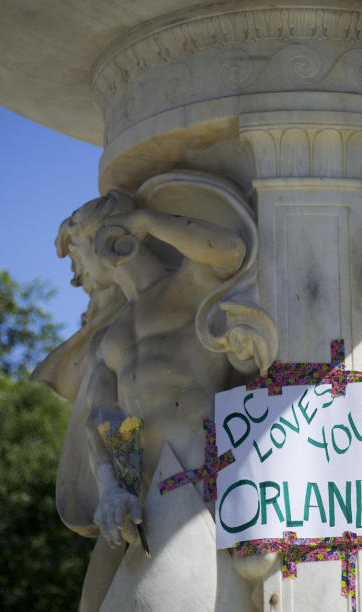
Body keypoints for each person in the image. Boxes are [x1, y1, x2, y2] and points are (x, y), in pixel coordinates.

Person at [35, 171, 277, 610]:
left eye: (77, 258)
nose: (78, 277)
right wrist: (110, 488)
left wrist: (148, 221)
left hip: (201, 475)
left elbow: (231, 251)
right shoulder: (110, 337)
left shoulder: (185, 288)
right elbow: (101, 420)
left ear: (105, 238)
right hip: (142, 489)